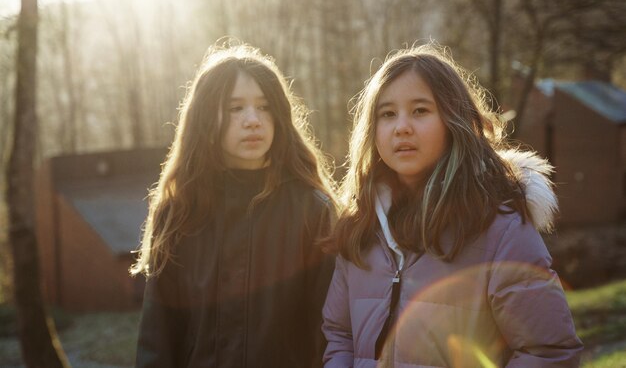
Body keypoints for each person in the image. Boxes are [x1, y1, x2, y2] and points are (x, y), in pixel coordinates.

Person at [322, 43, 583, 367]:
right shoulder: (361, 228)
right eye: (387, 114)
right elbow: (340, 334)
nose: (402, 126)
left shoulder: (500, 228)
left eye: (420, 110)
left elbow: (549, 352)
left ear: (453, 120)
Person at [131, 41, 337, 368]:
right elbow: (158, 337)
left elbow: (330, 334)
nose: (253, 120)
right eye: (235, 108)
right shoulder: (179, 211)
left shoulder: (312, 210)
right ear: (205, 119)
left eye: (264, 106)